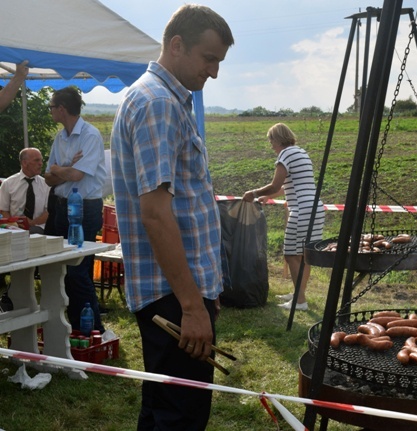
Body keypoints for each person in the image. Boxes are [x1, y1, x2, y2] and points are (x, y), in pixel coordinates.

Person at [110, 5, 234, 430]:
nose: (214, 72)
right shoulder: (158, 103)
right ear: (177, 45)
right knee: (179, 417)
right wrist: (191, 305)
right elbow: (156, 216)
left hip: (175, 292)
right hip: (173, 297)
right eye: (209, 58)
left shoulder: (158, 98)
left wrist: (203, 294)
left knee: (163, 409)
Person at [242, 123, 325, 311]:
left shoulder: (285, 154)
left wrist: (253, 193)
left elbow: (274, 184)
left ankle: (300, 301)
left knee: (291, 255)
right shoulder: (300, 152)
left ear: (278, 139)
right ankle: (299, 294)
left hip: (302, 210)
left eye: (271, 140)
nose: (271, 145)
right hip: (315, 209)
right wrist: (269, 197)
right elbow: (289, 185)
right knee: (304, 256)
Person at [44, 86, 107, 333]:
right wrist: (65, 168)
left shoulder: (90, 135)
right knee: (58, 269)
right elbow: (48, 178)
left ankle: (92, 330)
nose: (50, 111)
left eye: (51, 107)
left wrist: (63, 169)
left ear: (61, 109)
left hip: (84, 209)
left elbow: (77, 175)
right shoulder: (60, 138)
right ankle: (71, 325)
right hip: (60, 207)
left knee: (78, 270)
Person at [0, 148, 50, 234]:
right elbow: (4, 210)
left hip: (39, 227)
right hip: (14, 227)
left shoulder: (46, 185)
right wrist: (13, 225)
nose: (41, 164)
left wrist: (30, 223)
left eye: (41, 160)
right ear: (24, 163)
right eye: (37, 160)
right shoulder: (8, 183)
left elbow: (48, 212)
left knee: (31, 232)